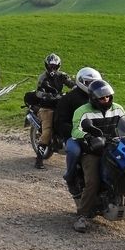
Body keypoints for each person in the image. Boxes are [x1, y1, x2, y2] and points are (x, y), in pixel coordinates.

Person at [71, 79, 125, 233]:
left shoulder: (118, 109)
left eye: (108, 96)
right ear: (94, 98)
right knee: (93, 181)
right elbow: (75, 131)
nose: (106, 99)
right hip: (93, 151)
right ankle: (82, 216)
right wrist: (88, 137)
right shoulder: (82, 111)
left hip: (115, 147)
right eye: (102, 98)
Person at [55, 66, 102, 198]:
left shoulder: (100, 97)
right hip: (74, 135)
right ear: (80, 81)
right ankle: (70, 177)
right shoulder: (68, 99)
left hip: (98, 133)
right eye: (88, 82)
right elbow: (61, 122)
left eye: (94, 82)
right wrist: (77, 131)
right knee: (74, 151)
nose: (92, 85)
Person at [33, 53, 74, 169]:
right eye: (50, 66)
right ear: (46, 65)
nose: (52, 68)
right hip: (47, 107)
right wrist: (46, 95)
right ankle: (39, 160)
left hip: (60, 104)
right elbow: (38, 92)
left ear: (58, 66)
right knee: (47, 131)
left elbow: (72, 84)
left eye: (55, 66)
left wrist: (78, 87)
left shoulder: (62, 76)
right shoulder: (43, 77)